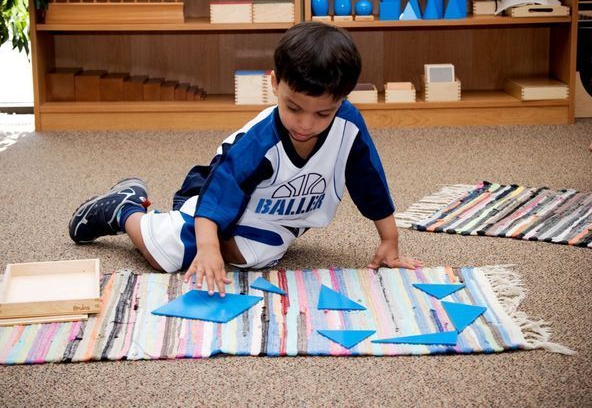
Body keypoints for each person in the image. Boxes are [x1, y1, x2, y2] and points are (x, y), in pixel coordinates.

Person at [68, 21, 421, 297]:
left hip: (273, 215)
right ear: (275, 84)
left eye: (322, 114)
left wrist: (389, 240)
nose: (304, 124)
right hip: (212, 195)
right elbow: (222, 192)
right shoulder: (258, 142)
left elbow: (369, 180)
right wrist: (207, 248)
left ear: (342, 101)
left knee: (257, 257)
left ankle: (199, 236)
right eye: (294, 108)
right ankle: (126, 209)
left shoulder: (349, 125)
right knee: (173, 256)